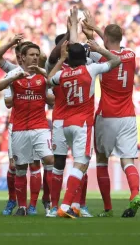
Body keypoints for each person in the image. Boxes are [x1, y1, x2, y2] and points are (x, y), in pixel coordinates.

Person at [48, 35, 121, 218]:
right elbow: (116, 60)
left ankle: (71, 205)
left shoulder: (63, 74)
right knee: (81, 163)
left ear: (70, 58)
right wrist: (99, 49)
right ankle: (65, 206)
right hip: (83, 124)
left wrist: (62, 59)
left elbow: (49, 79)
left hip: (66, 124)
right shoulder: (91, 69)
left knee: (75, 163)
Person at [84, 20, 140, 217]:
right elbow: (112, 46)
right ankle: (134, 194)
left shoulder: (99, 56)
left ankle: (108, 208)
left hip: (106, 116)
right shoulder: (131, 54)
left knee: (102, 160)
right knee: (128, 160)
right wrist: (99, 32)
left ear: (105, 39)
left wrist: (92, 36)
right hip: (128, 116)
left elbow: (100, 50)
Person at [0, 43, 54, 216]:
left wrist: (46, 78)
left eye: (37, 54)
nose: (35, 57)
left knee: (49, 160)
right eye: (32, 55)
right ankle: (22, 207)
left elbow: (55, 96)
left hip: (40, 127)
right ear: (23, 57)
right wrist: (14, 78)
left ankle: (46, 204)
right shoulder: (14, 74)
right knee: (20, 168)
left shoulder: (44, 75)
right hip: (19, 128)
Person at [46, 10, 94, 218]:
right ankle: (62, 205)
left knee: (70, 162)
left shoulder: (60, 70)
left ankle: (73, 204)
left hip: (62, 119)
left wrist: (72, 28)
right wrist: (72, 30)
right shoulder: (80, 67)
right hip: (69, 119)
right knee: (72, 163)